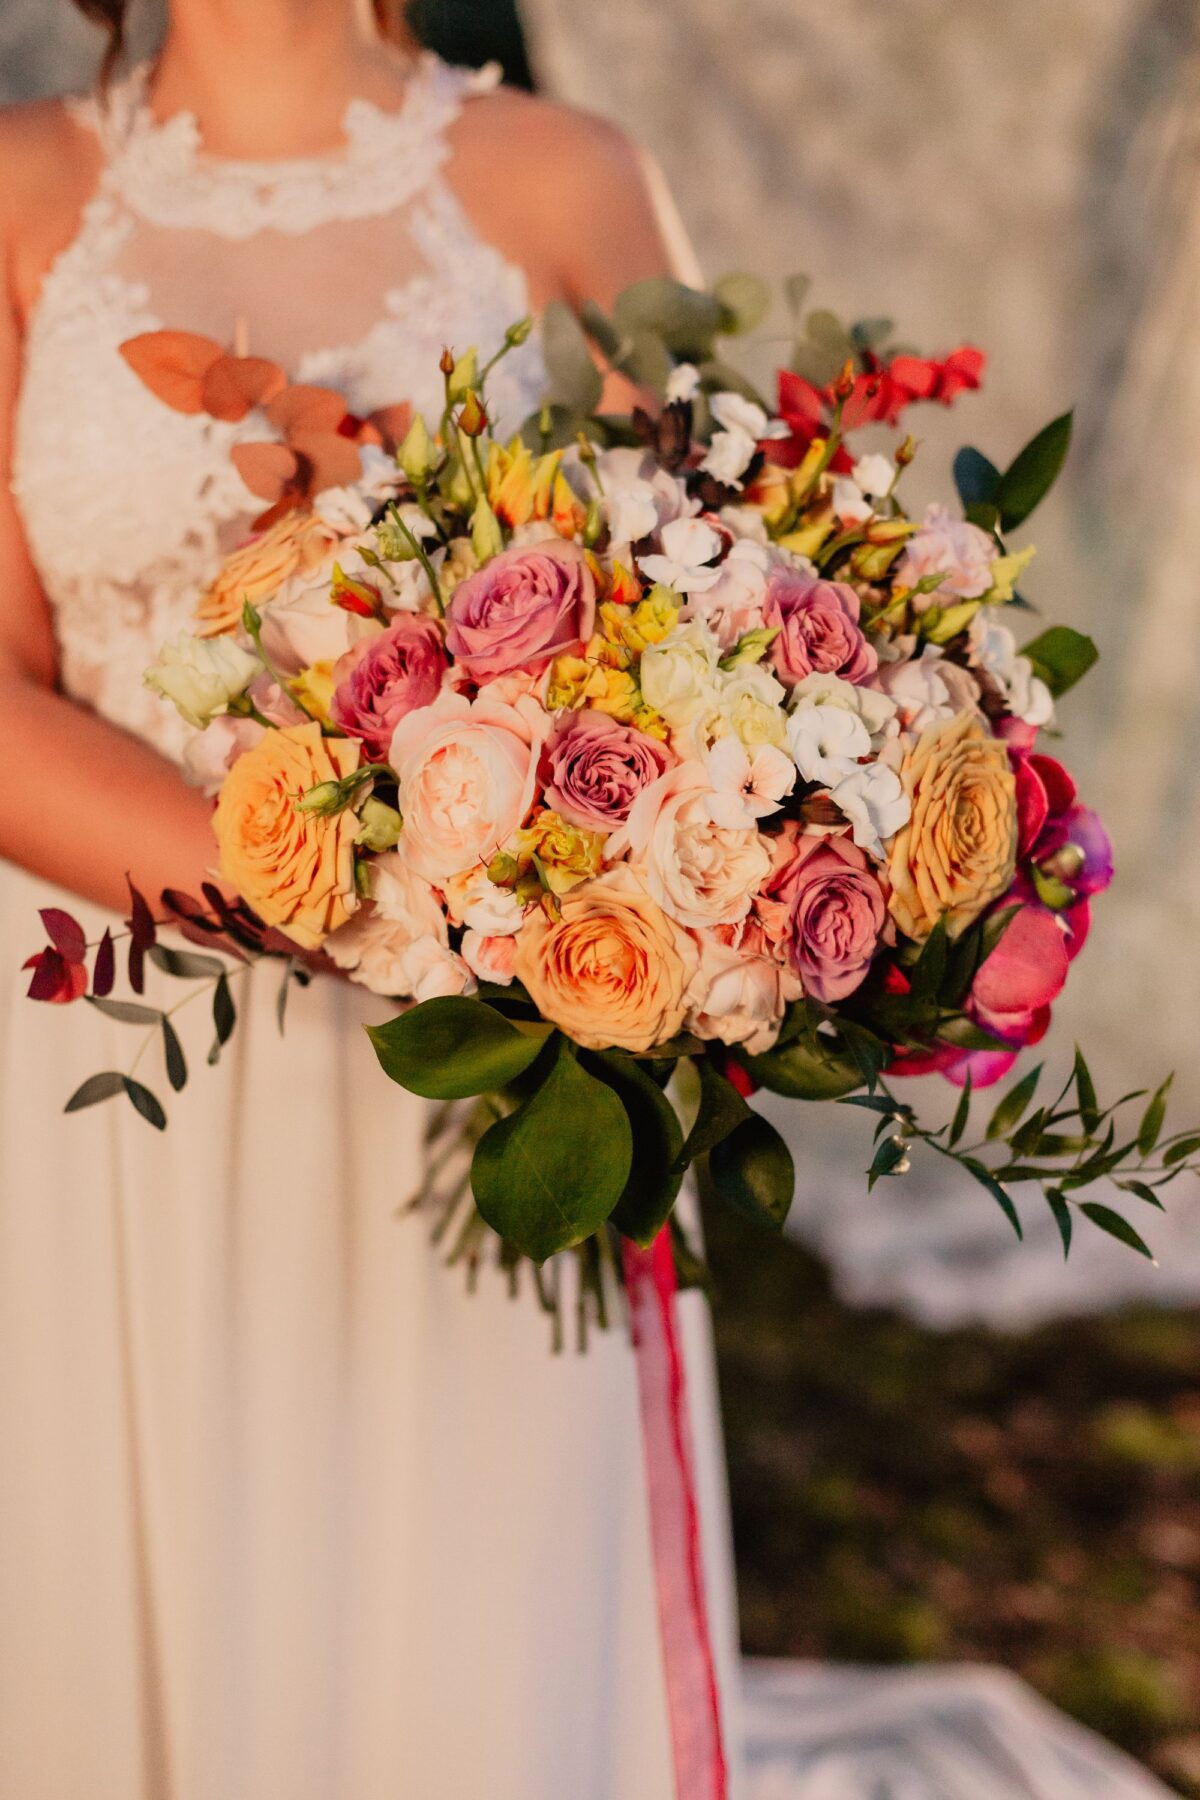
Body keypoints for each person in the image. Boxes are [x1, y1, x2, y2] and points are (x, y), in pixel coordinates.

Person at [0, 4, 742, 1795]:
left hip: (494, 1077)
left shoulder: (571, 178)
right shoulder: (16, 195)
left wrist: (519, 910)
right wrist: (343, 897)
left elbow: (734, 596)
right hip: (111, 1056)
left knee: (464, 1662)